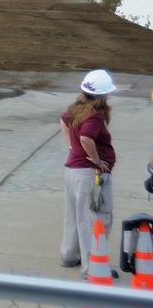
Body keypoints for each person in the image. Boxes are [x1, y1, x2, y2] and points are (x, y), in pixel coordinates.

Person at [60, 69, 118, 278]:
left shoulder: (76, 109)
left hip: (72, 171)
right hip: (88, 175)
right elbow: (86, 138)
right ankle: (92, 266)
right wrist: (96, 160)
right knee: (95, 219)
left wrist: (71, 148)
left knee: (73, 216)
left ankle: (68, 255)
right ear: (103, 95)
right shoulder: (94, 116)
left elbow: (64, 121)